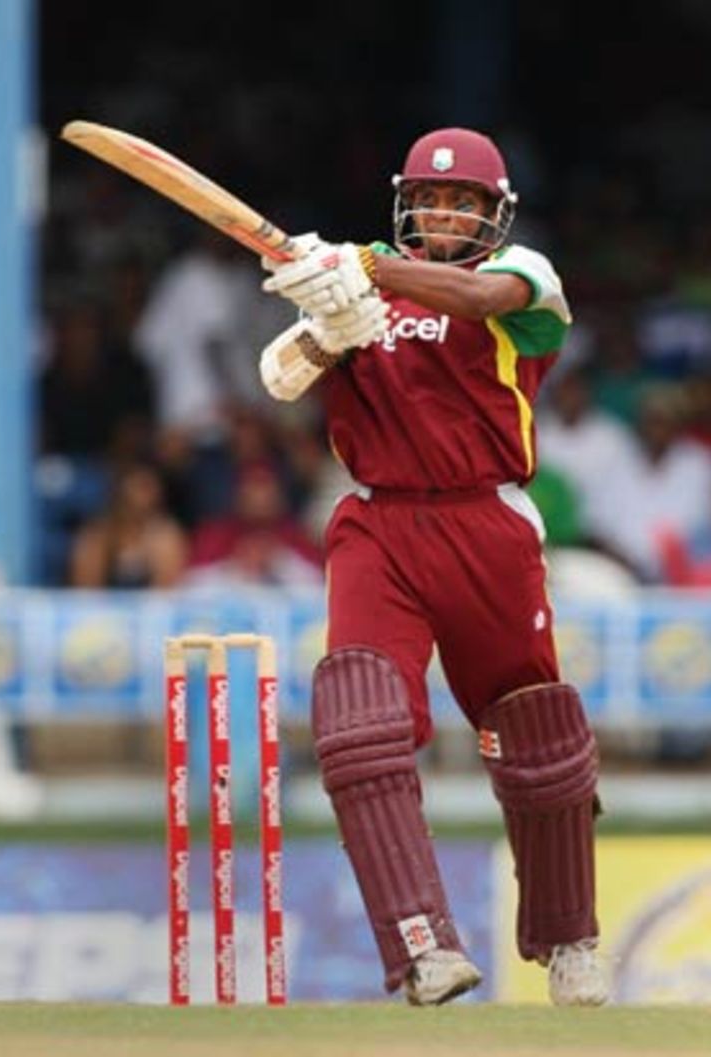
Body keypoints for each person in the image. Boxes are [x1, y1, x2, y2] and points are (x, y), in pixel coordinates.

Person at [257, 128, 608, 1007]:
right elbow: (279, 379)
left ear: (495, 213)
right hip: (379, 522)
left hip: (488, 522)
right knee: (359, 723)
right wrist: (330, 325)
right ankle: (423, 945)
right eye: (432, 200)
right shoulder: (356, 286)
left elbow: (475, 294)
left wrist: (365, 268)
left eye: (464, 202)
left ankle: (569, 940)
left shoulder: (525, 276)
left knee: (538, 741)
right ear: (407, 205)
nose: (445, 213)